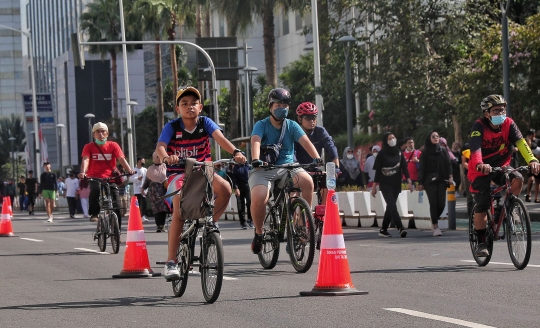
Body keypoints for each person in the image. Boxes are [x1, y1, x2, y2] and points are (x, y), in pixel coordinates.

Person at [154, 86, 246, 281]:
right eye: (184, 104)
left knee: (226, 188)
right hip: (179, 174)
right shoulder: (172, 127)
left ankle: (210, 224)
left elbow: (220, 139)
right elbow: (161, 147)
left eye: (194, 103)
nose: (189, 107)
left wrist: (236, 152)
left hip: (204, 171)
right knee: (179, 203)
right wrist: (166, 157)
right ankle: (171, 262)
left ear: (201, 107)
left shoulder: (205, 123)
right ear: (178, 108)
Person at [249, 88, 322, 254]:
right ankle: (259, 233)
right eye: (278, 104)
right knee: (260, 197)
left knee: (308, 182)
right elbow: (255, 141)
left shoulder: (292, 125)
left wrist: (317, 158)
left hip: (288, 167)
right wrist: (255, 159)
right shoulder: (261, 125)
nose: (282, 107)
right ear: (270, 106)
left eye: (285, 104)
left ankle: (302, 224)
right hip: (264, 168)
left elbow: (306, 142)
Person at [468, 95, 540, 257]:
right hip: (480, 168)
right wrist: (480, 163)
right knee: (483, 202)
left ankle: (508, 207)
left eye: (502, 109)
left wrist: (532, 159)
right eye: (496, 110)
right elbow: (475, 148)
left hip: (502, 166)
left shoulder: (509, 124)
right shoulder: (479, 126)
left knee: (518, 178)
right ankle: (481, 242)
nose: (501, 112)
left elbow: (521, 143)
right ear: (487, 114)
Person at [78, 122, 134, 230]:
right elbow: (86, 159)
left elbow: (121, 158)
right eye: (97, 132)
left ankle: (117, 231)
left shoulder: (113, 145)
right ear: (94, 134)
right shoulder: (89, 147)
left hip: (110, 178)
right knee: (95, 189)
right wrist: (83, 172)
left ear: (107, 133)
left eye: (103, 131)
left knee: (116, 204)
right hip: (94, 177)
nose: (100, 134)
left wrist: (129, 170)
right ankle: (94, 213)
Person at [371, 132, 413, 238]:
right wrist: (374, 186)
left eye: (393, 137)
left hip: (396, 184)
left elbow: (404, 167)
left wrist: (409, 181)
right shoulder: (382, 154)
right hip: (385, 184)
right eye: (390, 138)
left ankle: (383, 229)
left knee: (390, 207)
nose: (392, 139)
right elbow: (378, 171)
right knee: (393, 207)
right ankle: (400, 228)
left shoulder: (399, 152)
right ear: (386, 141)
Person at [417, 131, 453, 237]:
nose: (436, 138)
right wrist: (420, 182)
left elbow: (448, 164)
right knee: (433, 203)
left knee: (441, 204)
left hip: (442, 180)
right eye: (433, 137)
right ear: (429, 138)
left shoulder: (443, 150)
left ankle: (433, 219)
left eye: (437, 136)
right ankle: (436, 226)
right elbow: (422, 167)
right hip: (429, 181)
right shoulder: (425, 152)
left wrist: (450, 176)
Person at [142, 152, 170, 232]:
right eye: (157, 157)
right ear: (154, 158)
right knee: (156, 210)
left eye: (160, 157)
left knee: (163, 209)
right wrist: (143, 188)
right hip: (154, 193)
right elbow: (147, 181)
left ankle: (162, 225)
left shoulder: (166, 167)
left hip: (164, 191)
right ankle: (158, 226)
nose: (159, 159)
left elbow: (169, 177)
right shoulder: (150, 169)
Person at [230, 161, 253, 229]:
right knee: (240, 205)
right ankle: (243, 222)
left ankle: (250, 219)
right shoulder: (235, 168)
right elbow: (234, 179)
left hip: (248, 186)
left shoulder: (248, 166)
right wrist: (236, 188)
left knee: (249, 202)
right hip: (239, 187)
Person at [129, 157, 148, 222]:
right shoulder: (134, 170)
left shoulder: (145, 170)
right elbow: (130, 179)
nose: (144, 162)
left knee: (144, 203)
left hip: (144, 190)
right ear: (139, 161)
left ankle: (143, 216)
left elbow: (147, 179)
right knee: (138, 204)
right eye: (143, 161)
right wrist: (137, 178)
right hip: (137, 190)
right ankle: (138, 216)